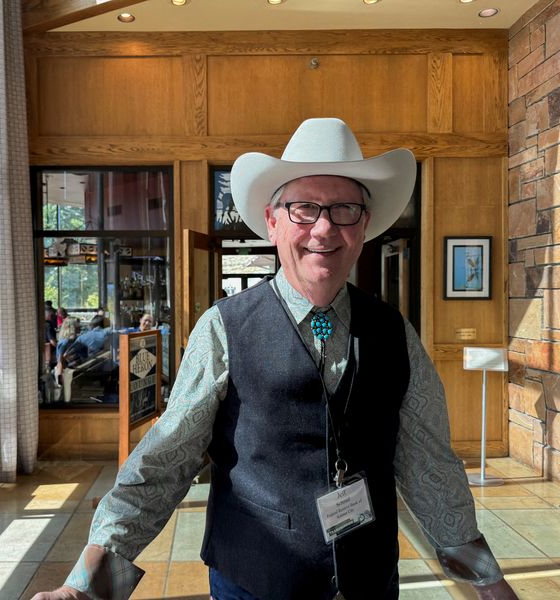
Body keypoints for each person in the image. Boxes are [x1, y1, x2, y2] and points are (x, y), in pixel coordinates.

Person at [32, 118, 517, 600]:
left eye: (344, 209)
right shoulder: (222, 328)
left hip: (369, 580)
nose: (324, 228)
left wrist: (488, 584)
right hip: (253, 579)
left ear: (364, 224)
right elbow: (165, 461)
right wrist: (87, 587)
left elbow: (430, 466)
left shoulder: (396, 333)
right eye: (304, 208)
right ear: (272, 221)